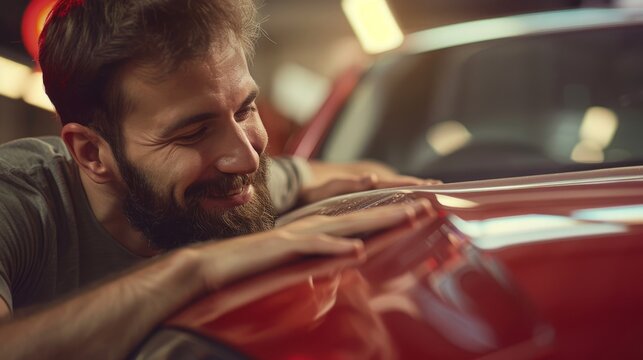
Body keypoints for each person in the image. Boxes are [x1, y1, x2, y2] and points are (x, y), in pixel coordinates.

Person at [0, 0, 437, 358]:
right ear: (92, 153)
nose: (245, 158)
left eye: (246, 110)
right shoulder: (17, 200)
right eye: (193, 132)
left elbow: (320, 175)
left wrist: (400, 188)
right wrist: (192, 271)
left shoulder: (228, 184)